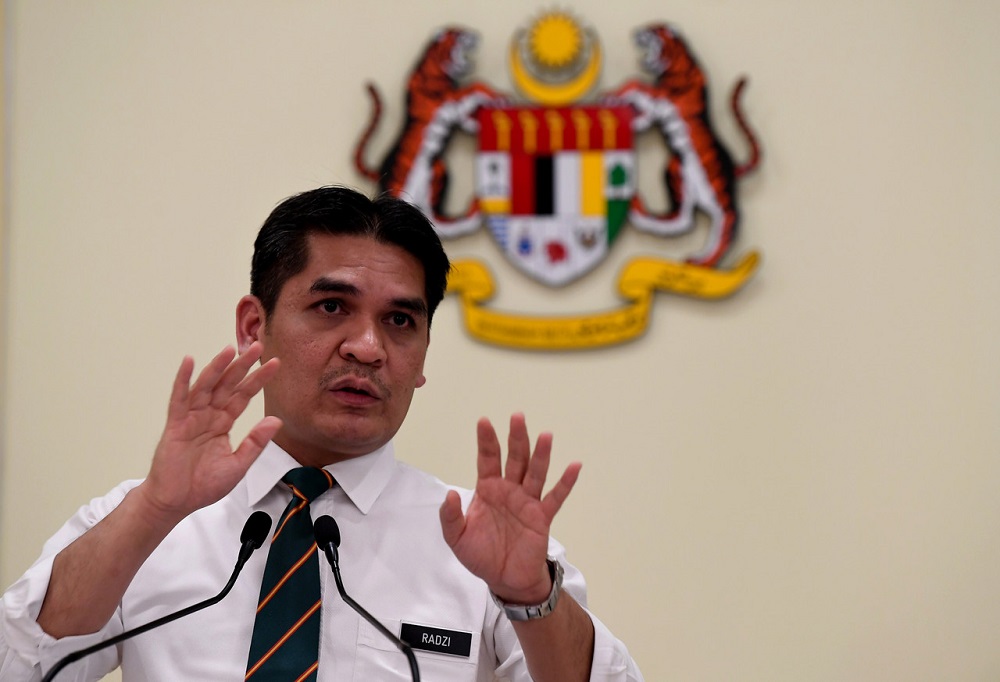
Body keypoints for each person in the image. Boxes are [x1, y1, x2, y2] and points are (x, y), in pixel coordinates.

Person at [0, 186, 643, 681]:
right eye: (332, 307)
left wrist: (530, 596)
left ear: (421, 357)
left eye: (399, 321)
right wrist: (155, 510)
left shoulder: (481, 550)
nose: (368, 348)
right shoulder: (146, 521)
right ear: (254, 326)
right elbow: (19, 666)